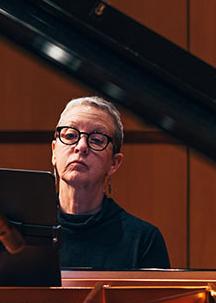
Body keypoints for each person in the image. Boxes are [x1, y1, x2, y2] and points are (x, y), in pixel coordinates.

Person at [51, 96, 170, 269]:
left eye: (97, 140)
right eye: (70, 135)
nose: (81, 146)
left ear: (114, 163)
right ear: (54, 152)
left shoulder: (143, 239)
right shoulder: (18, 235)